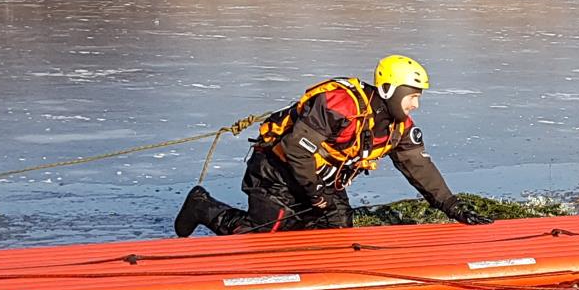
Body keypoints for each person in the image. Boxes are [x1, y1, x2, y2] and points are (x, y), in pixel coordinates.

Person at [172, 54, 490, 236]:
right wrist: (314, 195)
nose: (415, 105)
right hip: (277, 176)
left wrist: (452, 206)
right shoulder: (340, 105)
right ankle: (203, 206)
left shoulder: (399, 128)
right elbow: (297, 148)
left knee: (338, 238)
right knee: (263, 242)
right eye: (413, 96)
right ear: (391, 90)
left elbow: (419, 166)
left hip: (324, 184)